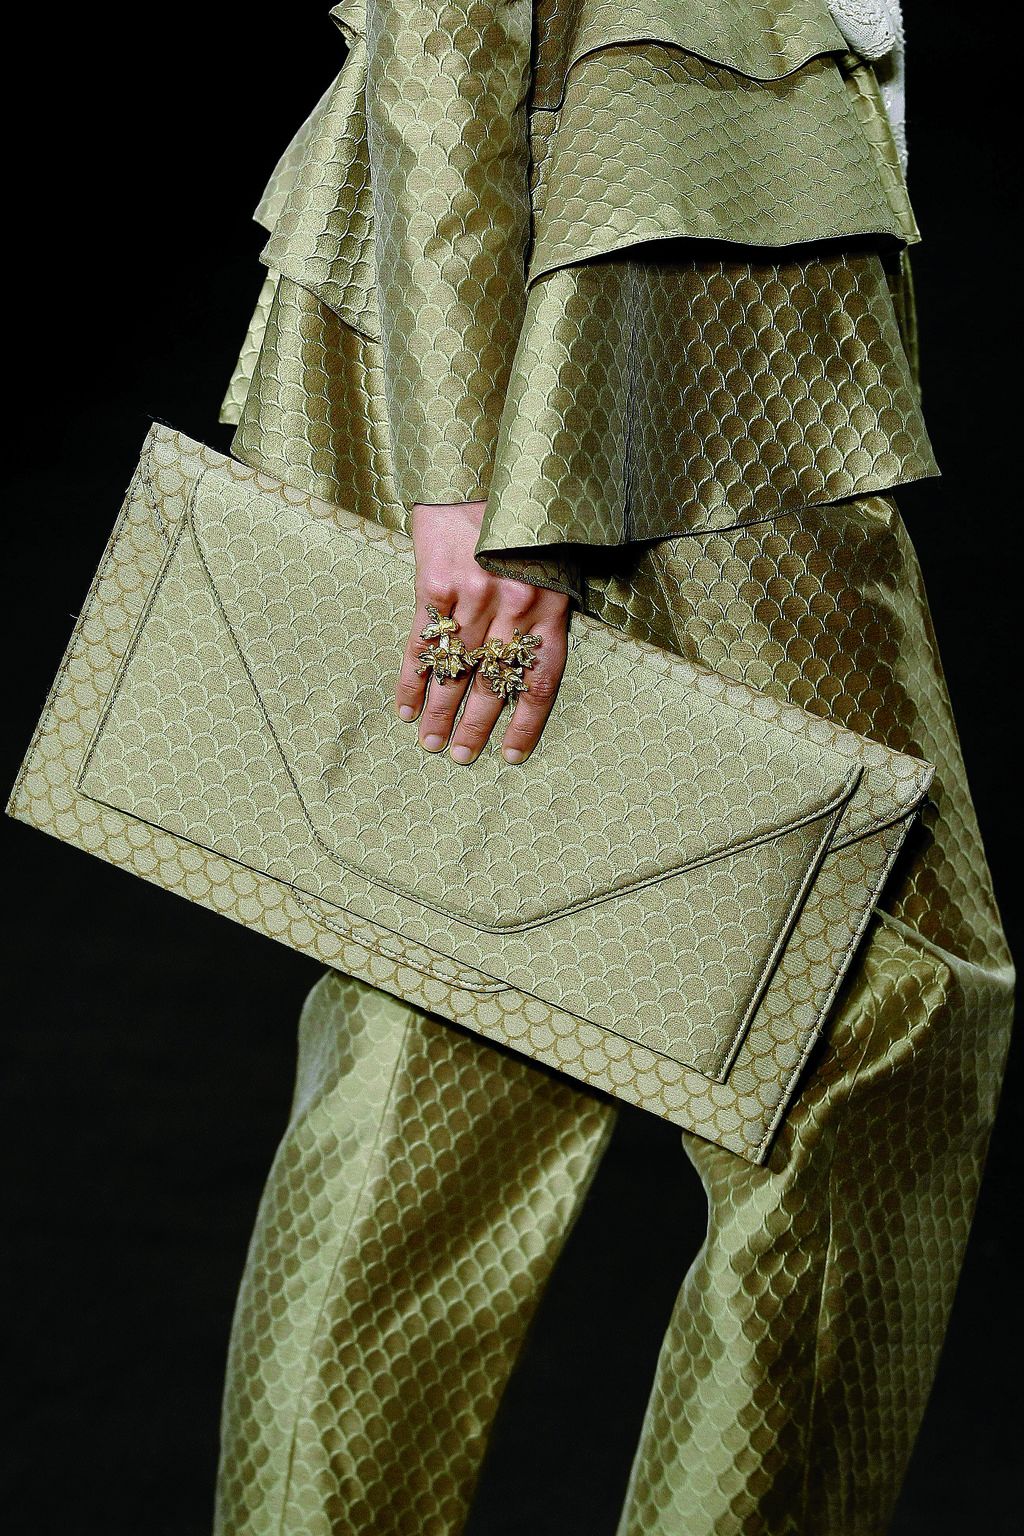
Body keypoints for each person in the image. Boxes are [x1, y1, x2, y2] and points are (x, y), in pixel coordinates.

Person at [211, 2, 1014, 1531]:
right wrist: (473, 478)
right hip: (647, 314)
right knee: (878, 1012)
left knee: (455, 1034)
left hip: (653, 270)